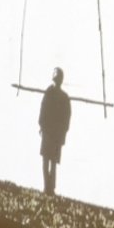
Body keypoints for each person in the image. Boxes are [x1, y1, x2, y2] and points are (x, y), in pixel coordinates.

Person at [38, 67, 72, 195]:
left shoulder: (57, 95)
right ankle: (49, 187)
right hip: (52, 132)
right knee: (50, 160)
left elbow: (66, 118)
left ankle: (49, 187)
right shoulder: (57, 95)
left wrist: (62, 132)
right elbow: (44, 110)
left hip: (53, 133)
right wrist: (42, 126)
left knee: (49, 160)